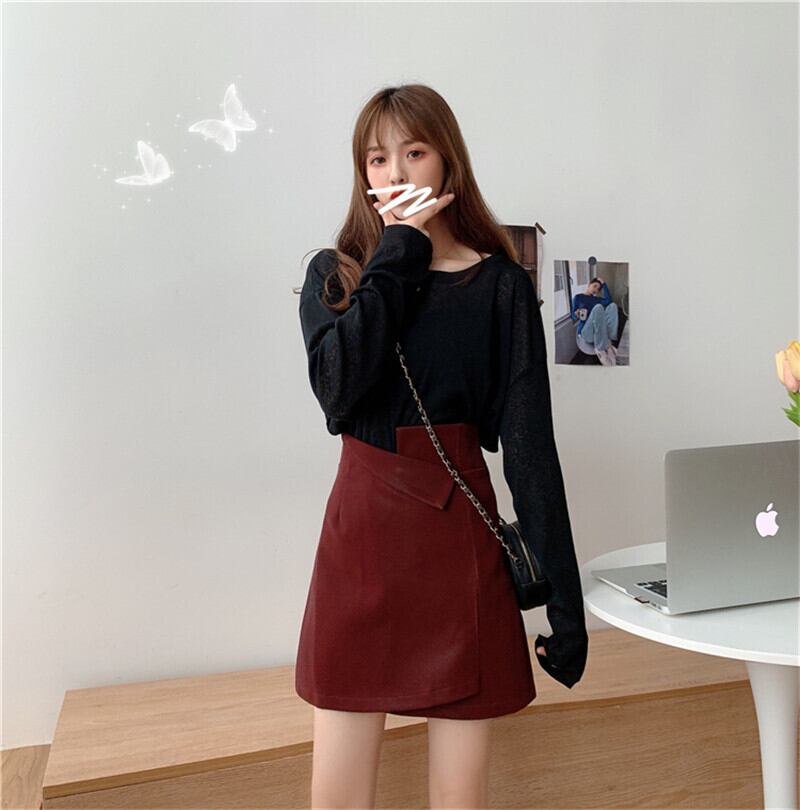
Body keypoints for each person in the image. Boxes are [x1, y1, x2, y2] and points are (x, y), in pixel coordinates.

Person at [295, 84, 588, 809]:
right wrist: (401, 251)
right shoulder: (335, 275)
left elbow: (530, 453)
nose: (395, 173)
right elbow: (336, 395)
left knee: (461, 798)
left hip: (461, 549)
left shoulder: (500, 287)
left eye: (414, 152)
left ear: (447, 163)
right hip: (361, 547)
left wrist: (565, 605)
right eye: (377, 159)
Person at [570, 277, 619, 365]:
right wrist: (576, 314)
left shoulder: (596, 299)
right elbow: (573, 317)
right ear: (589, 284)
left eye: (598, 289)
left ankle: (609, 344)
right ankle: (601, 349)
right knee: (598, 307)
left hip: (597, 333)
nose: (596, 290)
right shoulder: (578, 297)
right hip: (586, 332)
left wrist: (604, 284)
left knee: (613, 306)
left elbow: (609, 301)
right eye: (595, 286)